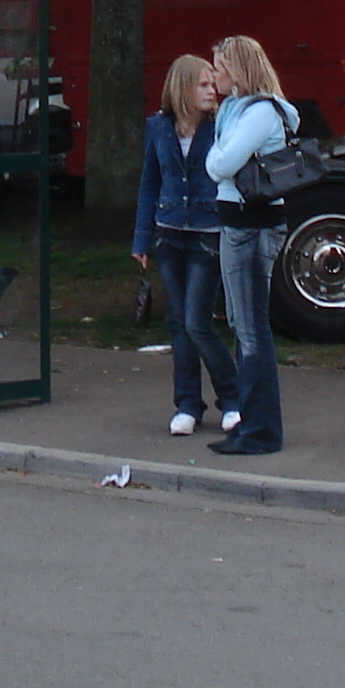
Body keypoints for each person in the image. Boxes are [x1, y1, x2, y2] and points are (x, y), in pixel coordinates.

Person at [132, 55, 237, 438]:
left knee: (197, 322)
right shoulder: (159, 127)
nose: (213, 91)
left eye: (214, 84)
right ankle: (187, 405)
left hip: (208, 234)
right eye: (205, 85)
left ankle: (233, 399)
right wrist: (141, 239)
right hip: (168, 234)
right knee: (180, 324)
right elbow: (149, 183)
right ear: (183, 88)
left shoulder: (221, 126)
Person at [203, 35, 297, 456]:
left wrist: (217, 156)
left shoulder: (259, 112)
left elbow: (220, 164)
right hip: (239, 222)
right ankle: (250, 424)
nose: (214, 74)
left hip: (252, 226)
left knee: (251, 328)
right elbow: (221, 162)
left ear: (239, 70)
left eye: (220, 66)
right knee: (244, 327)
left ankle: (261, 430)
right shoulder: (234, 110)